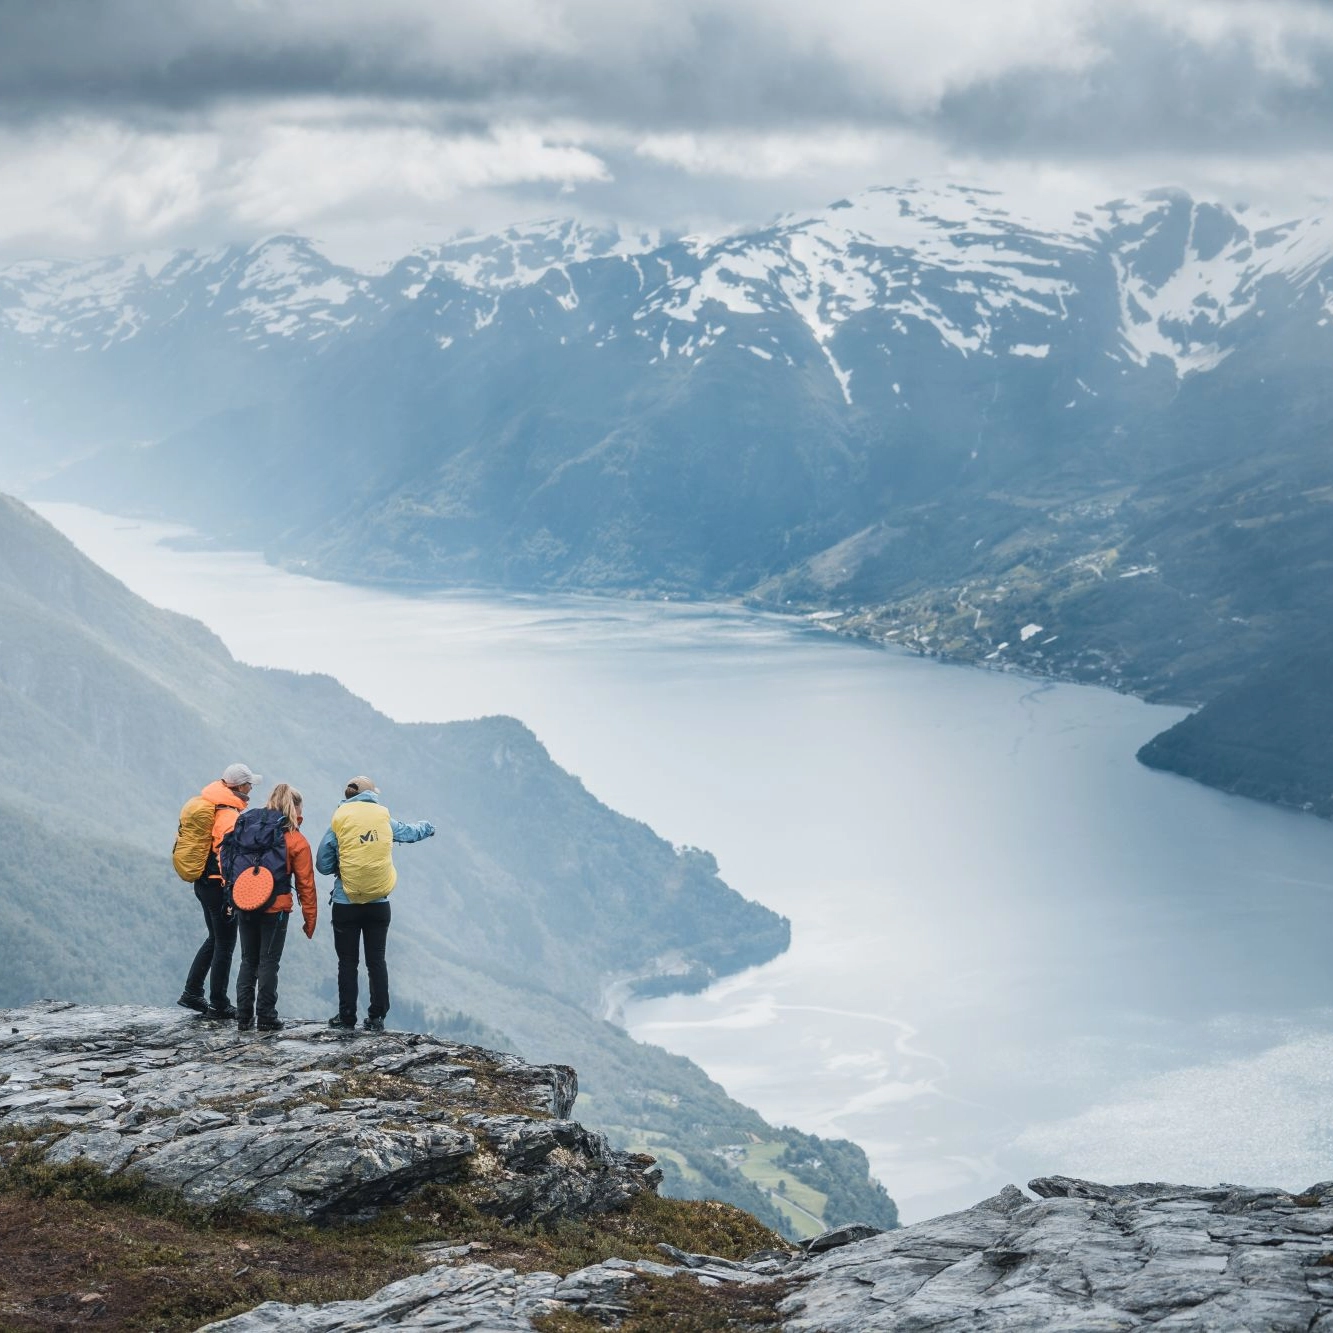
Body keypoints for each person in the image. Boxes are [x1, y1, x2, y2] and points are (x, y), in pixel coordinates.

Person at [316, 776, 434, 1032]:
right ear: (371, 795)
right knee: (376, 960)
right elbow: (410, 832)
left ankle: (346, 1017)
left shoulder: (339, 819)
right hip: (379, 904)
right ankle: (377, 1016)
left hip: (345, 903)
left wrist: (342, 866)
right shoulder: (383, 818)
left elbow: (322, 865)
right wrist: (428, 826)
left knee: (347, 962)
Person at [178, 762, 260, 1020]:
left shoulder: (214, 803)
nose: (252, 788)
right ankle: (219, 1003)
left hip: (203, 883)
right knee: (225, 943)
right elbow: (226, 853)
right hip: (218, 885)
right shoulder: (228, 814)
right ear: (240, 786)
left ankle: (192, 992)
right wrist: (230, 891)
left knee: (215, 938)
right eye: (250, 784)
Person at [233, 783, 318, 1032]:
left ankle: (243, 1017)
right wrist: (310, 919)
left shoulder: (250, 829)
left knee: (248, 960)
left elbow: (229, 860)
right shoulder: (295, 839)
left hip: (245, 902)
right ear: (295, 809)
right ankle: (267, 1016)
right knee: (268, 962)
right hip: (276, 908)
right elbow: (306, 884)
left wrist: (233, 896)